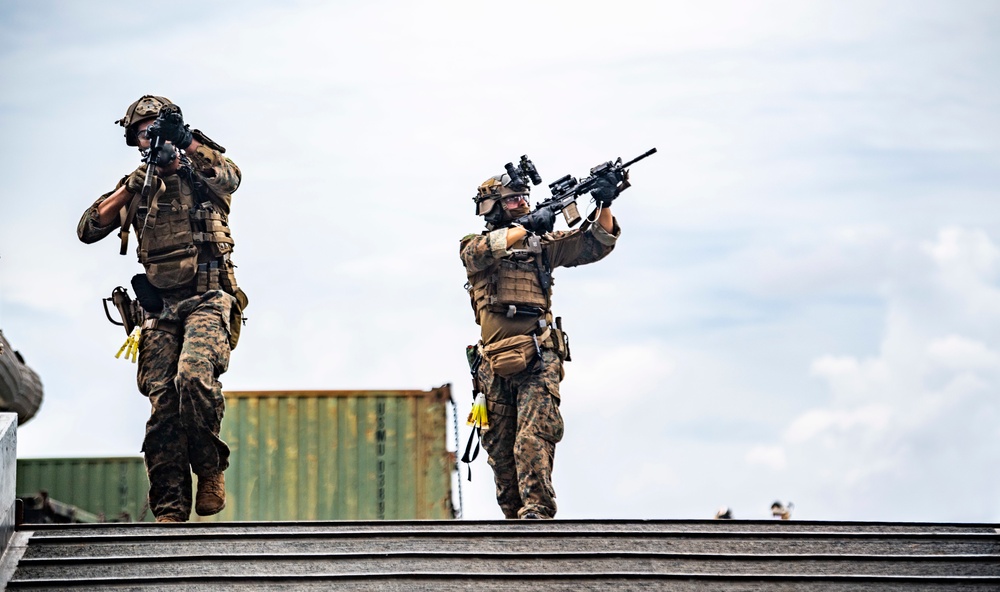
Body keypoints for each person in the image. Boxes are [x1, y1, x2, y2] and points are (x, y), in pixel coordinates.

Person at [77, 95, 247, 523]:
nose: (150, 136)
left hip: (209, 297)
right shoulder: (136, 184)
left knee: (193, 376)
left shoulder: (202, 174)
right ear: (133, 139)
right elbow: (88, 228)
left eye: (157, 128)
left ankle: (209, 468)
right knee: (163, 404)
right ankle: (169, 506)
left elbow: (231, 176)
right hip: (158, 310)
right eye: (143, 131)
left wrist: (185, 144)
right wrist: (135, 183)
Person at [460, 161, 625, 519]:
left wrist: (605, 202)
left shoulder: (542, 245)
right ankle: (514, 523)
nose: (522, 203)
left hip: (537, 356)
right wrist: (524, 225)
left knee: (531, 440)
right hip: (491, 366)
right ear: (493, 207)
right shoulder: (473, 245)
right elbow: (481, 253)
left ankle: (537, 514)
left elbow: (595, 243)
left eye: (524, 198)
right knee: (500, 450)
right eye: (513, 199)